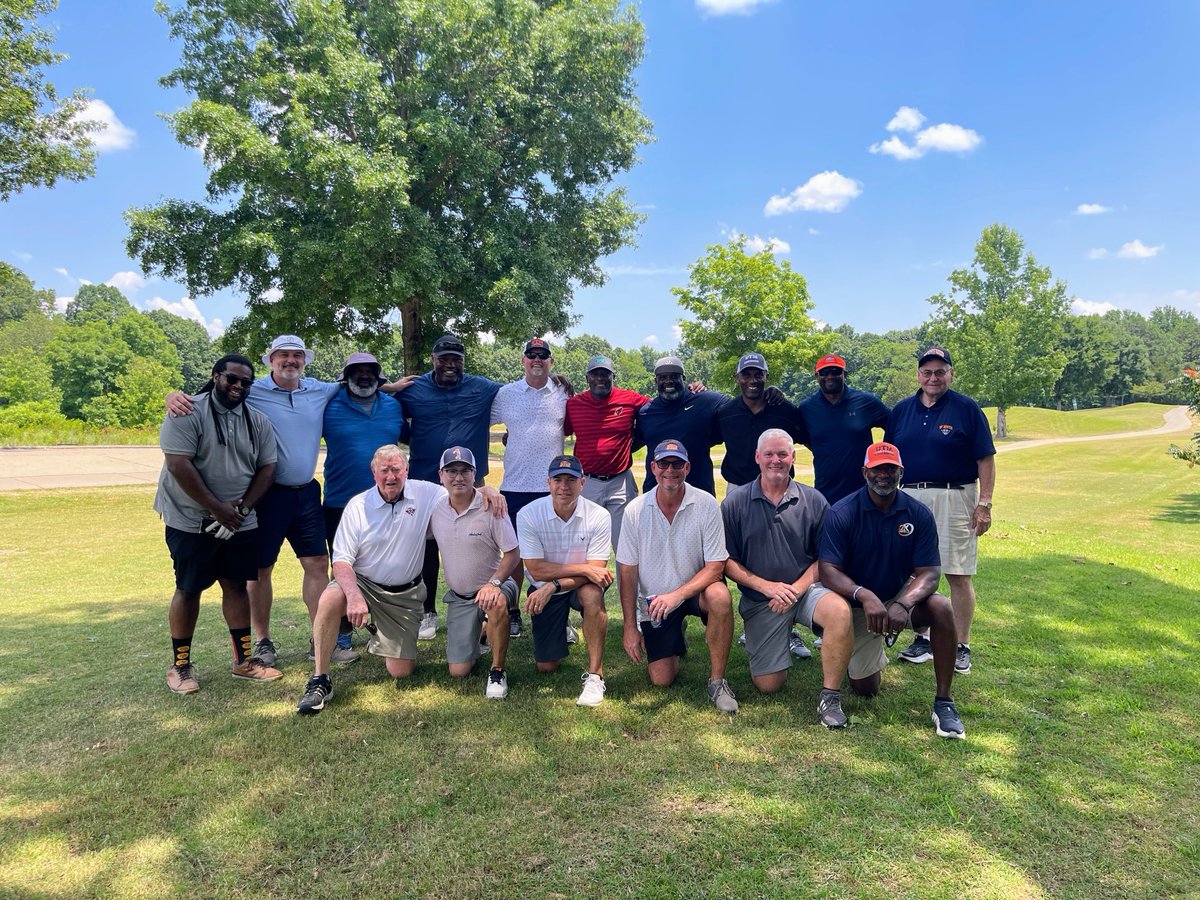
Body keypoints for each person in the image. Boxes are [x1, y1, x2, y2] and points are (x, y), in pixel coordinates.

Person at [166, 335, 404, 666]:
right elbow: (214, 393)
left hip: (306, 491)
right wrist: (173, 396)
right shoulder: (252, 388)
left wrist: (390, 386)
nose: (290, 361)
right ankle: (263, 641)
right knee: (261, 569)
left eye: (297, 356)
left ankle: (322, 639)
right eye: (283, 355)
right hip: (266, 493)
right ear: (271, 360)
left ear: (304, 361)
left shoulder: (319, 390)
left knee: (319, 564)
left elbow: (359, 384)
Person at [295, 444, 506, 715]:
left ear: (406, 470)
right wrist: (355, 596)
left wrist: (489, 490)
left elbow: (461, 490)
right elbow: (341, 561)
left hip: (403, 596)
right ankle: (320, 679)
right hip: (364, 584)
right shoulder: (358, 505)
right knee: (330, 596)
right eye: (384, 470)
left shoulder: (426, 493)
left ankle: (386, 633)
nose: (391, 476)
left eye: (396, 469)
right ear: (374, 473)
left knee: (401, 672)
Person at [818, 442, 965, 739]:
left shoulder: (918, 513)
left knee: (941, 607)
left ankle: (944, 701)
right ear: (864, 472)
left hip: (897, 595)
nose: (883, 475)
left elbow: (930, 573)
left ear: (901, 471)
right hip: (857, 605)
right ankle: (855, 650)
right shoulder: (842, 512)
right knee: (866, 688)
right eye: (876, 468)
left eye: (890, 468)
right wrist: (865, 595)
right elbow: (828, 571)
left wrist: (905, 603)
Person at [155, 354, 282, 693]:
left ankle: (243, 662)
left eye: (245, 382)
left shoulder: (257, 421)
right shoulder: (187, 411)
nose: (238, 386)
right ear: (215, 377)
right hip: (191, 519)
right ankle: (180, 667)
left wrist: (240, 511)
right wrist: (215, 508)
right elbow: (178, 464)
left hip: (239, 519)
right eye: (232, 379)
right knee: (189, 588)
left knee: (237, 585)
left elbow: (267, 469)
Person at [722, 429, 856, 727]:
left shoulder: (814, 500)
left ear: (793, 458)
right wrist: (766, 587)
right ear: (757, 458)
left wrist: (795, 590)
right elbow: (725, 561)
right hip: (761, 600)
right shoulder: (735, 502)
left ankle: (830, 696)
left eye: (782, 454)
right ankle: (779, 641)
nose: (776, 460)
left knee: (839, 611)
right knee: (769, 685)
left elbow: (828, 559)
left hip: (806, 590)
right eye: (769, 454)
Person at [885, 347, 995, 676]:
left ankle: (961, 644)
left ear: (950, 373)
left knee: (958, 573)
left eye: (940, 371)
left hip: (956, 495)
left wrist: (985, 503)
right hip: (909, 497)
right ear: (918, 374)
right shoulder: (902, 410)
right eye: (927, 372)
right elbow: (889, 455)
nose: (933, 378)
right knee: (912, 571)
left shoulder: (966, 409)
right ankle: (922, 637)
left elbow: (985, 459)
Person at [618, 440, 739, 713]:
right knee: (662, 679)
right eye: (663, 463)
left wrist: (677, 595)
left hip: (695, 592)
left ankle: (717, 681)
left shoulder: (707, 503)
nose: (670, 470)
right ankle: (676, 636)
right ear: (653, 467)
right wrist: (629, 627)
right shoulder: (635, 510)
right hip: (655, 600)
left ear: (687, 467)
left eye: (676, 464)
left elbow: (716, 566)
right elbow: (627, 572)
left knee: (720, 596)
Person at [516, 455, 613, 707]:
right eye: (558, 479)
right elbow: (536, 570)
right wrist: (582, 570)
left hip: (576, 587)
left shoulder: (599, 515)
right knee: (546, 667)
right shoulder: (528, 514)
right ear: (548, 483)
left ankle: (595, 675)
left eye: (571, 480)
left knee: (593, 594)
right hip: (546, 586)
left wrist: (555, 584)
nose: (564, 486)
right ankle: (563, 627)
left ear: (582, 482)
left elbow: (598, 573)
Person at [489, 337, 569, 637]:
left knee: (554, 553)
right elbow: (479, 420)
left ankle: (559, 608)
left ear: (551, 361)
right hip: (515, 485)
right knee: (516, 553)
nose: (537, 359)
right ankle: (512, 612)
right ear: (523, 360)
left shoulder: (563, 392)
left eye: (543, 355)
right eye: (531, 355)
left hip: (553, 487)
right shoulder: (506, 394)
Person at [430, 446, 520, 699]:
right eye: (452, 471)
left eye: (465, 471)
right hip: (460, 597)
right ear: (441, 475)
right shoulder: (435, 509)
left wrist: (494, 583)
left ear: (474, 474)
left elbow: (513, 553)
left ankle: (498, 670)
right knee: (459, 671)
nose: (458, 477)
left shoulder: (492, 507)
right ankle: (482, 630)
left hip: (496, 585)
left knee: (495, 603)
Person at [563, 355, 650, 553]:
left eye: (605, 374)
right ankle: (587, 585)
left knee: (626, 547)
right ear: (587, 378)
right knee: (582, 546)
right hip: (586, 482)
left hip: (620, 483)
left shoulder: (630, 399)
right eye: (595, 374)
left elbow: (662, 407)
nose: (600, 378)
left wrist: (692, 392)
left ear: (613, 377)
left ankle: (629, 586)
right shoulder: (574, 405)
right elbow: (558, 428)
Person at [795, 354, 890, 505]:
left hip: (864, 492)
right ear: (816, 376)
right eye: (824, 373)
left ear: (845, 374)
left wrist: (882, 457)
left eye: (835, 371)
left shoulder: (866, 401)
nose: (830, 376)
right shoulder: (807, 408)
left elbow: (895, 427)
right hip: (824, 494)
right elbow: (803, 438)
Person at [633, 356, 728, 495]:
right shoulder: (645, 412)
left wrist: (770, 393)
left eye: (674, 376)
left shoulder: (706, 400)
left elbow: (741, 405)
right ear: (655, 381)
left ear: (683, 379)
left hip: (699, 493)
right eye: (663, 377)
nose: (668, 381)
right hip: (656, 494)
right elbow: (637, 441)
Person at [715, 353, 804, 488]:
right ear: (737, 378)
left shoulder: (786, 411)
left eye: (758, 375)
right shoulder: (726, 413)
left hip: (779, 486)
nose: (752, 380)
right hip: (737, 486)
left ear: (766, 376)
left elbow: (807, 439)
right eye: (746, 375)